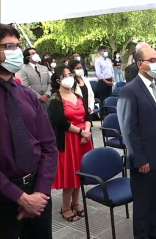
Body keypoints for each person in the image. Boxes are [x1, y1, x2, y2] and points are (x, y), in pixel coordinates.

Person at [0, 23, 58, 239]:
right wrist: (20, 198)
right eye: (8, 46)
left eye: (18, 46)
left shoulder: (27, 96)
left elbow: (49, 146)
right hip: (4, 197)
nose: (16, 52)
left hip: (38, 192)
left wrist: (39, 193)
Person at [117, 47, 156, 239]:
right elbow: (128, 129)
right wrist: (139, 158)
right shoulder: (129, 90)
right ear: (140, 64)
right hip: (145, 159)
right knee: (143, 203)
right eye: (152, 60)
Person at [48, 65, 93, 222]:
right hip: (68, 141)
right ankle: (65, 207)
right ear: (58, 79)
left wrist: (86, 131)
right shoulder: (55, 99)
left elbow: (87, 116)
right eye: (65, 75)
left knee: (81, 173)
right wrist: (81, 132)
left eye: (70, 74)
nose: (69, 77)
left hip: (84, 140)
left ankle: (76, 202)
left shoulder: (78, 96)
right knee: (71, 175)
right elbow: (61, 122)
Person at [20, 47, 52, 112]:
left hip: (48, 99)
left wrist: (47, 94)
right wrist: (38, 96)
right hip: (34, 101)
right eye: (33, 53)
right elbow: (25, 85)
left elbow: (49, 82)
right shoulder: (23, 69)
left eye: (36, 53)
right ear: (28, 57)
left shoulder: (44, 68)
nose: (36, 54)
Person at [95, 46, 114, 118]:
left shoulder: (109, 60)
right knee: (103, 99)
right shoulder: (98, 61)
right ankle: (103, 115)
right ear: (100, 52)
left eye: (106, 51)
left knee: (109, 98)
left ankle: (109, 114)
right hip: (102, 81)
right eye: (104, 51)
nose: (105, 52)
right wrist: (106, 81)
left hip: (109, 80)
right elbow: (98, 74)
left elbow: (111, 70)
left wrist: (112, 79)